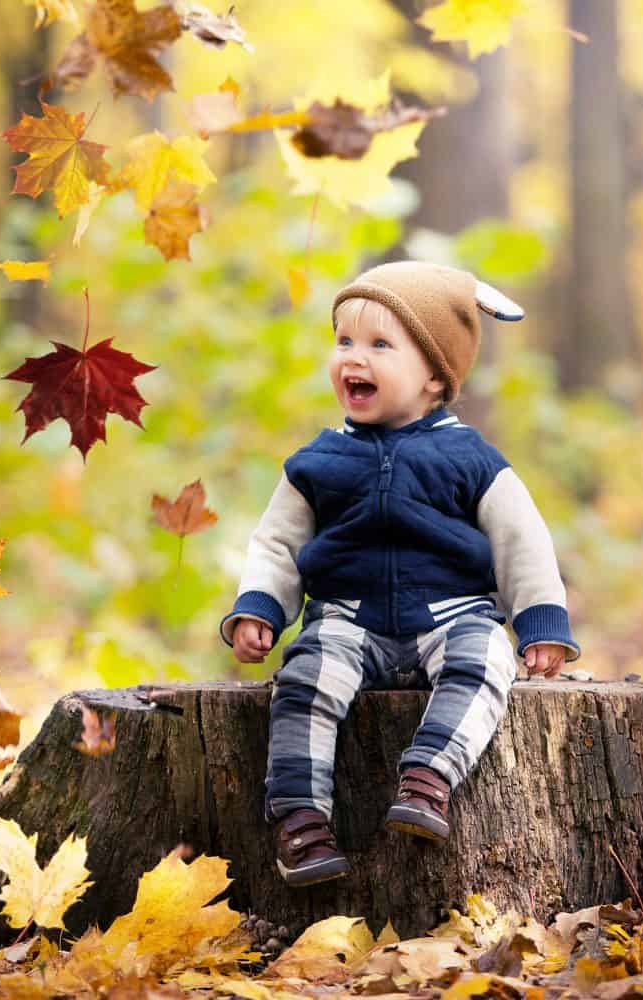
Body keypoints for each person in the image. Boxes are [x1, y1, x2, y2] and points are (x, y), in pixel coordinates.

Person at [220, 260, 582, 887]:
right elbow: (277, 542)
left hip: (451, 616)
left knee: (486, 659)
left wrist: (538, 621)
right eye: (344, 341)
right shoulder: (319, 461)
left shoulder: (470, 457)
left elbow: (520, 539)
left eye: (380, 345)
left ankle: (429, 777)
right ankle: (301, 818)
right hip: (346, 620)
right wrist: (259, 605)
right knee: (304, 680)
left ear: (435, 377)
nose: (353, 358)